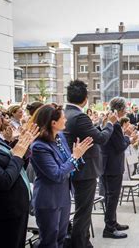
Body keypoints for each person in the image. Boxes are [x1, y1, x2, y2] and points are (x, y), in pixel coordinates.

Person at [0, 99, 39, 248]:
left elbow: (14, 162)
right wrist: (18, 154)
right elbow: (4, 180)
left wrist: (23, 144)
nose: (3, 118)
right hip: (4, 212)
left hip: (18, 207)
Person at [30, 104, 93, 247]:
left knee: (61, 237)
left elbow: (68, 160)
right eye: (63, 118)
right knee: (49, 240)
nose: (65, 120)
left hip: (63, 196)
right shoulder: (39, 146)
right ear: (53, 123)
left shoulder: (60, 137)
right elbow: (57, 174)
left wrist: (78, 154)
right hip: (48, 199)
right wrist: (75, 157)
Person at [63, 80, 116, 248]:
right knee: (83, 211)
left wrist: (101, 126)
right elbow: (100, 138)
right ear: (85, 99)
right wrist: (110, 124)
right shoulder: (80, 116)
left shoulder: (66, 113)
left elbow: (91, 133)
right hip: (84, 170)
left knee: (81, 209)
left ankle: (83, 241)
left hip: (75, 167)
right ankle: (81, 244)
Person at [102, 97, 133, 239]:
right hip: (113, 166)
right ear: (119, 109)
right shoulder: (114, 125)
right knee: (112, 197)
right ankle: (109, 228)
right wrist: (127, 136)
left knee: (111, 196)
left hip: (108, 165)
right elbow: (120, 146)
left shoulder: (109, 121)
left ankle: (112, 223)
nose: (126, 110)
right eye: (125, 108)